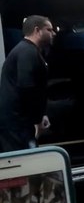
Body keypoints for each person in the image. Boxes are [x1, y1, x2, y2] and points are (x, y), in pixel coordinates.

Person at [0, 15, 56, 152]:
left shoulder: (27, 50)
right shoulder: (27, 52)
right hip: (17, 124)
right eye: (49, 30)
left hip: (18, 121)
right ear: (37, 30)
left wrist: (41, 114)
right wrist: (36, 120)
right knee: (25, 158)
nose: (53, 33)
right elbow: (28, 87)